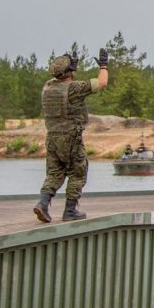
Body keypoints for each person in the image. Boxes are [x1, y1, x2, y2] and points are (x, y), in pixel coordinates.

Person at [33, 48, 109, 223]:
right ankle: (70, 211)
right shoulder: (74, 88)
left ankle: (42, 204)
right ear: (69, 71)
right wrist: (103, 66)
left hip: (52, 138)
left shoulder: (47, 87)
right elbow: (102, 83)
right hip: (71, 138)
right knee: (78, 172)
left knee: (54, 173)